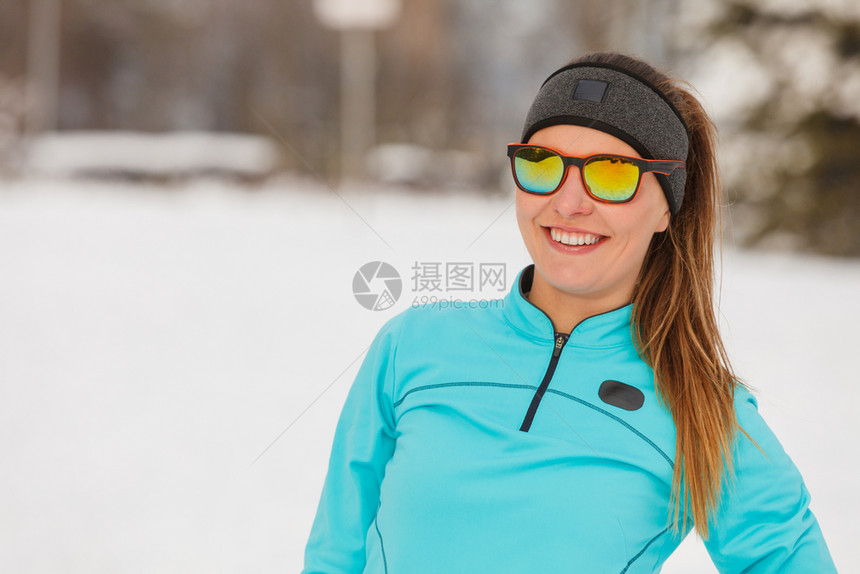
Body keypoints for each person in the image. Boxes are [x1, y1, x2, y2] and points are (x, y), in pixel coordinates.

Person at [301, 52, 836, 573]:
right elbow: (334, 556)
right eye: (543, 164)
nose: (569, 202)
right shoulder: (414, 345)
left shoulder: (701, 407)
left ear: (666, 209)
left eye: (611, 173)